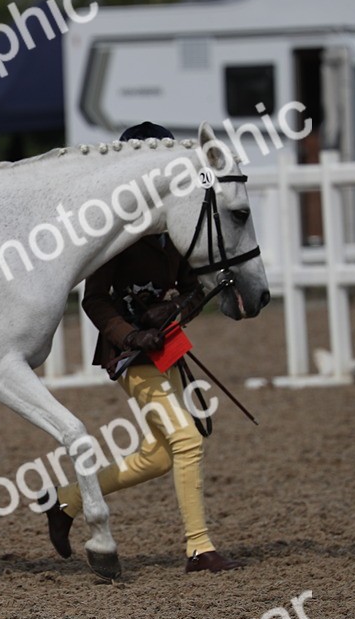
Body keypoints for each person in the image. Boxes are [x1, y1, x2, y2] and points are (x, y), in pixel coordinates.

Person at [45, 121, 244, 574]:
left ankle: (66, 500)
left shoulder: (178, 221)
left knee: (157, 456)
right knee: (188, 441)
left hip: (167, 348)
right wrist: (132, 335)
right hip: (131, 356)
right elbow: (92, 300)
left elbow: (195, 287)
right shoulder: (113, 233)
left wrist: (177, 310)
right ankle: (199, 548)